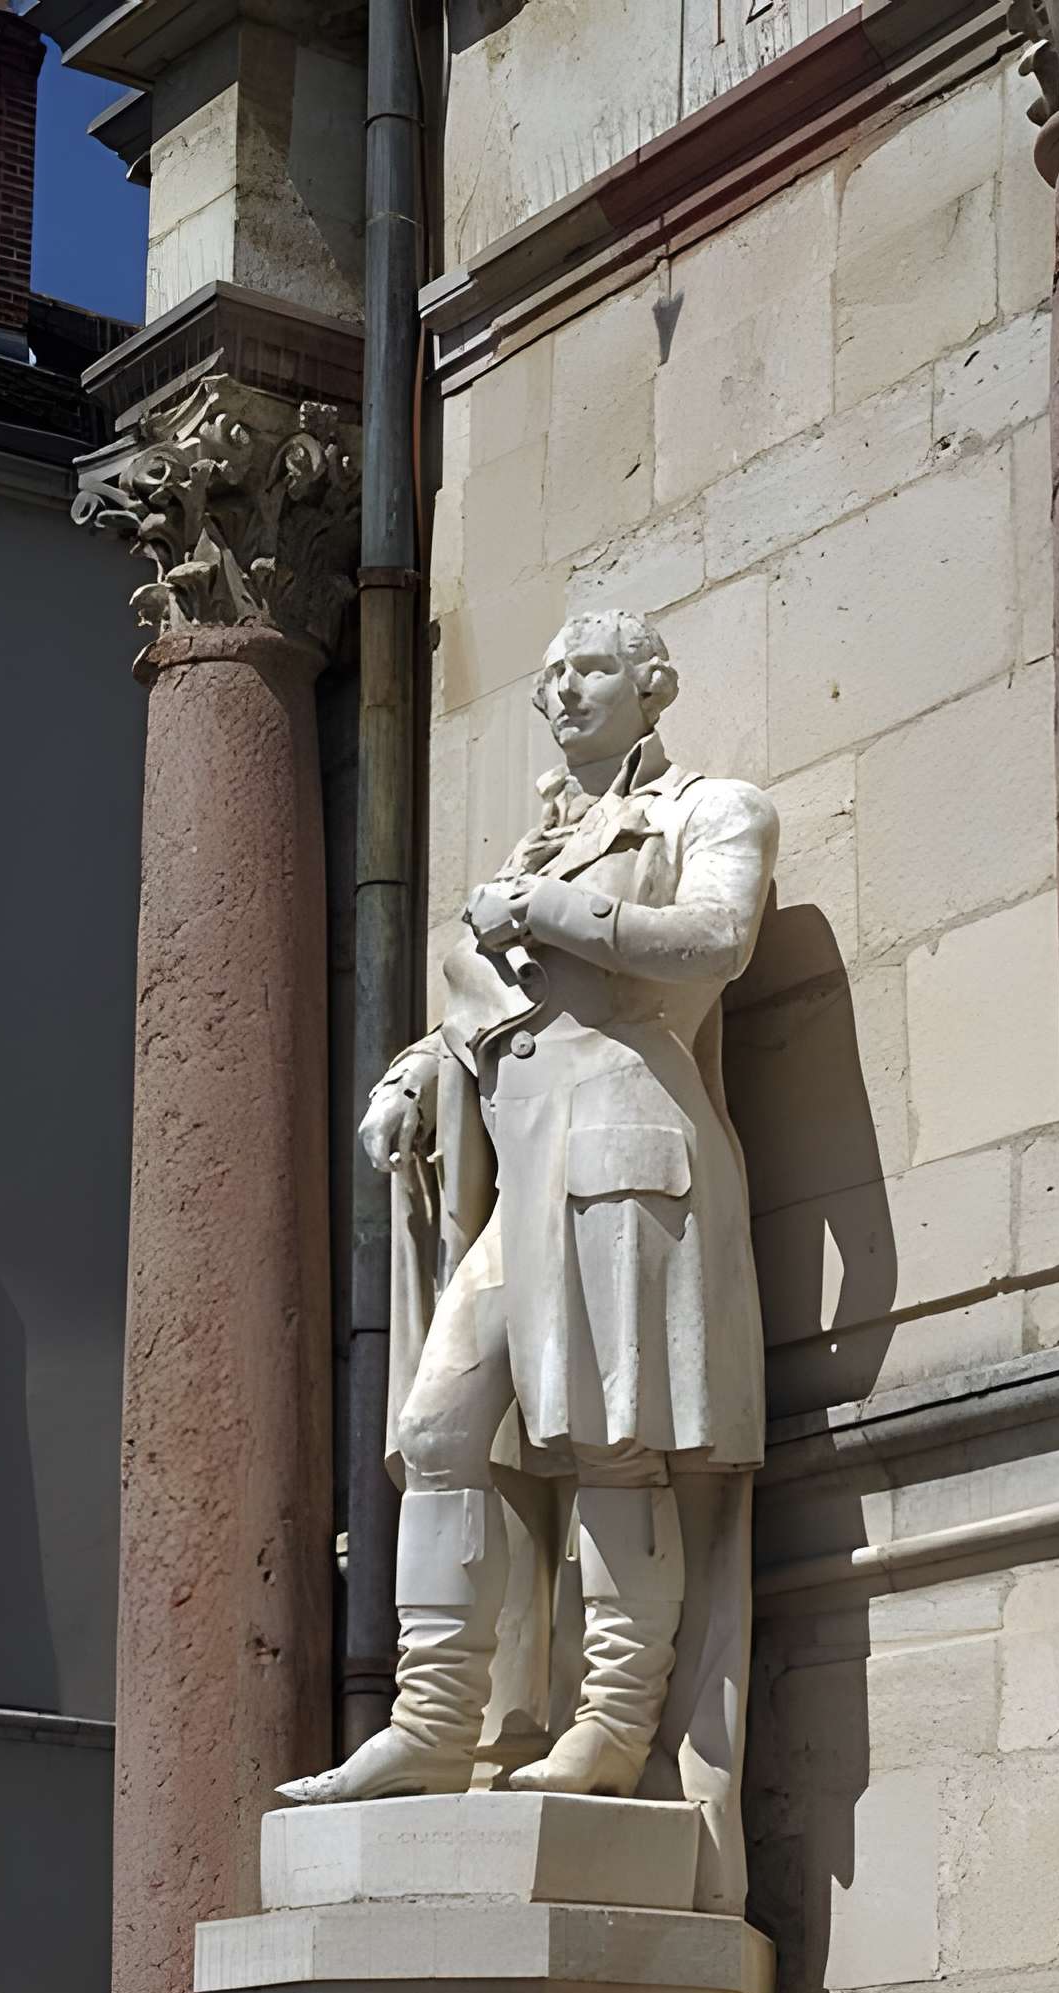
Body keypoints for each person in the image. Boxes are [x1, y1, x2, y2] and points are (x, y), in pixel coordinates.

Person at [280, 611, 777, 1820]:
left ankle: (614, 1720)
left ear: (650, 686)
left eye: (590, 668)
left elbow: (716, 938)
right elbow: (478, 1009)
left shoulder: (709, 807)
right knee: (441, 1426)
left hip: (625, 1142)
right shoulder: (537, 838)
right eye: (548, 672)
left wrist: (546, 914)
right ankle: (431, 1720)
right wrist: (406, 1080)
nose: (562, 690)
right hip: (525, 1161)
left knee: (617, 1441)